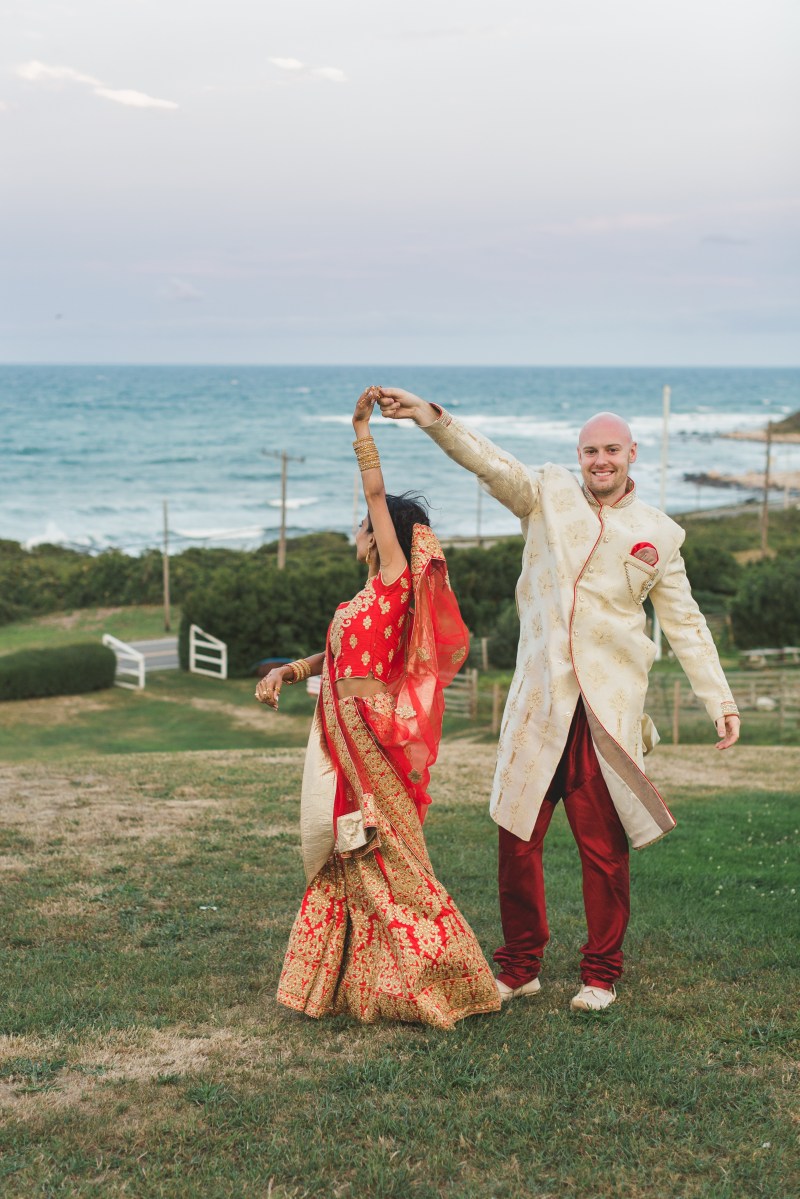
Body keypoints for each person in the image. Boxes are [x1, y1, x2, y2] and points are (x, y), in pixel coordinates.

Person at [377, 388, 740, 1012]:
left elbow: (686, 622)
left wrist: (720, 701)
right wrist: (430, 418)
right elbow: (488, 462)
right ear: (579, 455)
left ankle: (600, 974)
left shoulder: (660, 533)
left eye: (612, 451)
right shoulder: (545, 493)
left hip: (606, 716)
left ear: (632, 454)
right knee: (515, 839)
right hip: (540, 704)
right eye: (591, 450)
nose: (601, 460)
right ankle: (520, 967)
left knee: (604, 852)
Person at [256, 388, 500, 1029]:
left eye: (367, 524)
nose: (359, 530)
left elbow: (373, 496)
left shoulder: (393, 577)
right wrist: (292, 669)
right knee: (349, 854)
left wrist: (360, 429)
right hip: (340, 729)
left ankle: (448, 976)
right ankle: (359, 983)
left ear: (381, 533)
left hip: (371, 734)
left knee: (387, 854)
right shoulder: (366, 595)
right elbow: (338, 656)